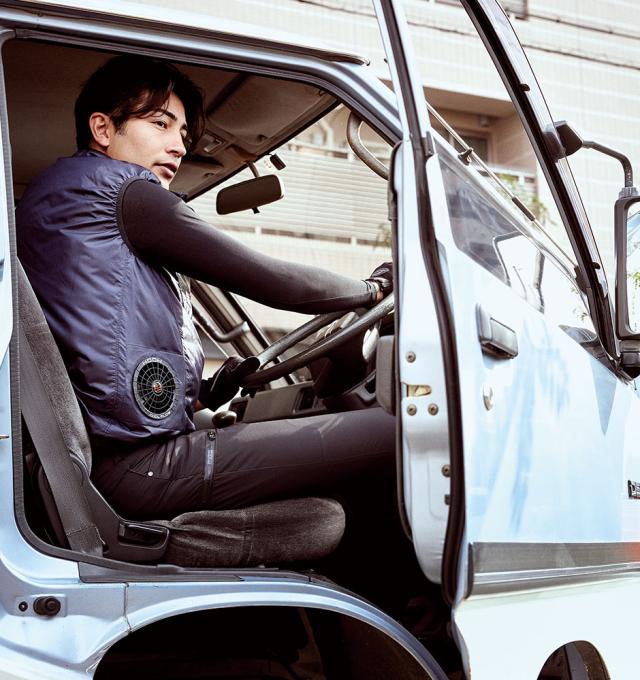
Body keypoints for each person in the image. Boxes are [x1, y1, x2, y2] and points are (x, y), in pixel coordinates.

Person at [16, 55, 395, 521]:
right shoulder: (121, 192)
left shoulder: (60, 196)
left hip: (109, 461)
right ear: (103, 128)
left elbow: (91, 350)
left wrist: (208, 391)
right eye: (160, 124)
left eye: (182, 134)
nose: (178, 146)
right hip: (140, 468)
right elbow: (272, 281)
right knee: (399, 432)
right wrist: (373, 289)